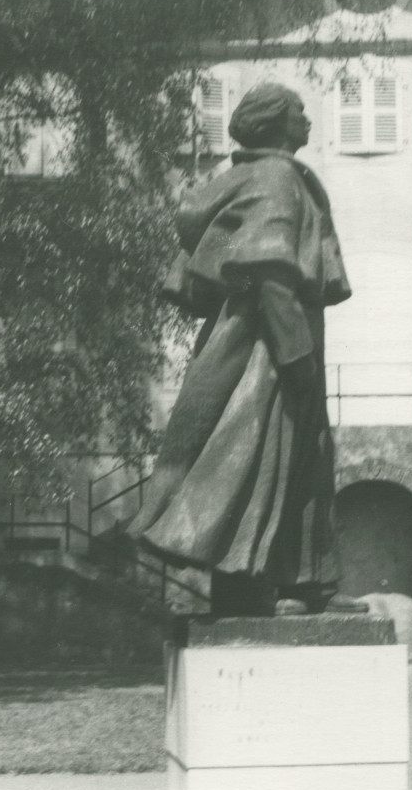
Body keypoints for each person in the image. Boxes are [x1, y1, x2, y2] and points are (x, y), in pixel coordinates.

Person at [126, 82, 367, 617]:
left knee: (287, 464)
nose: (308, 120)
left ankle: (289, 588)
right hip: (269, 347)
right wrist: (296, 356)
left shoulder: (250, 178)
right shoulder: (278, 177)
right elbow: (270, 271)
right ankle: (287, 587)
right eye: (299, 112)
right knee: (271, 463)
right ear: (277, 122)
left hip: (258, 339)